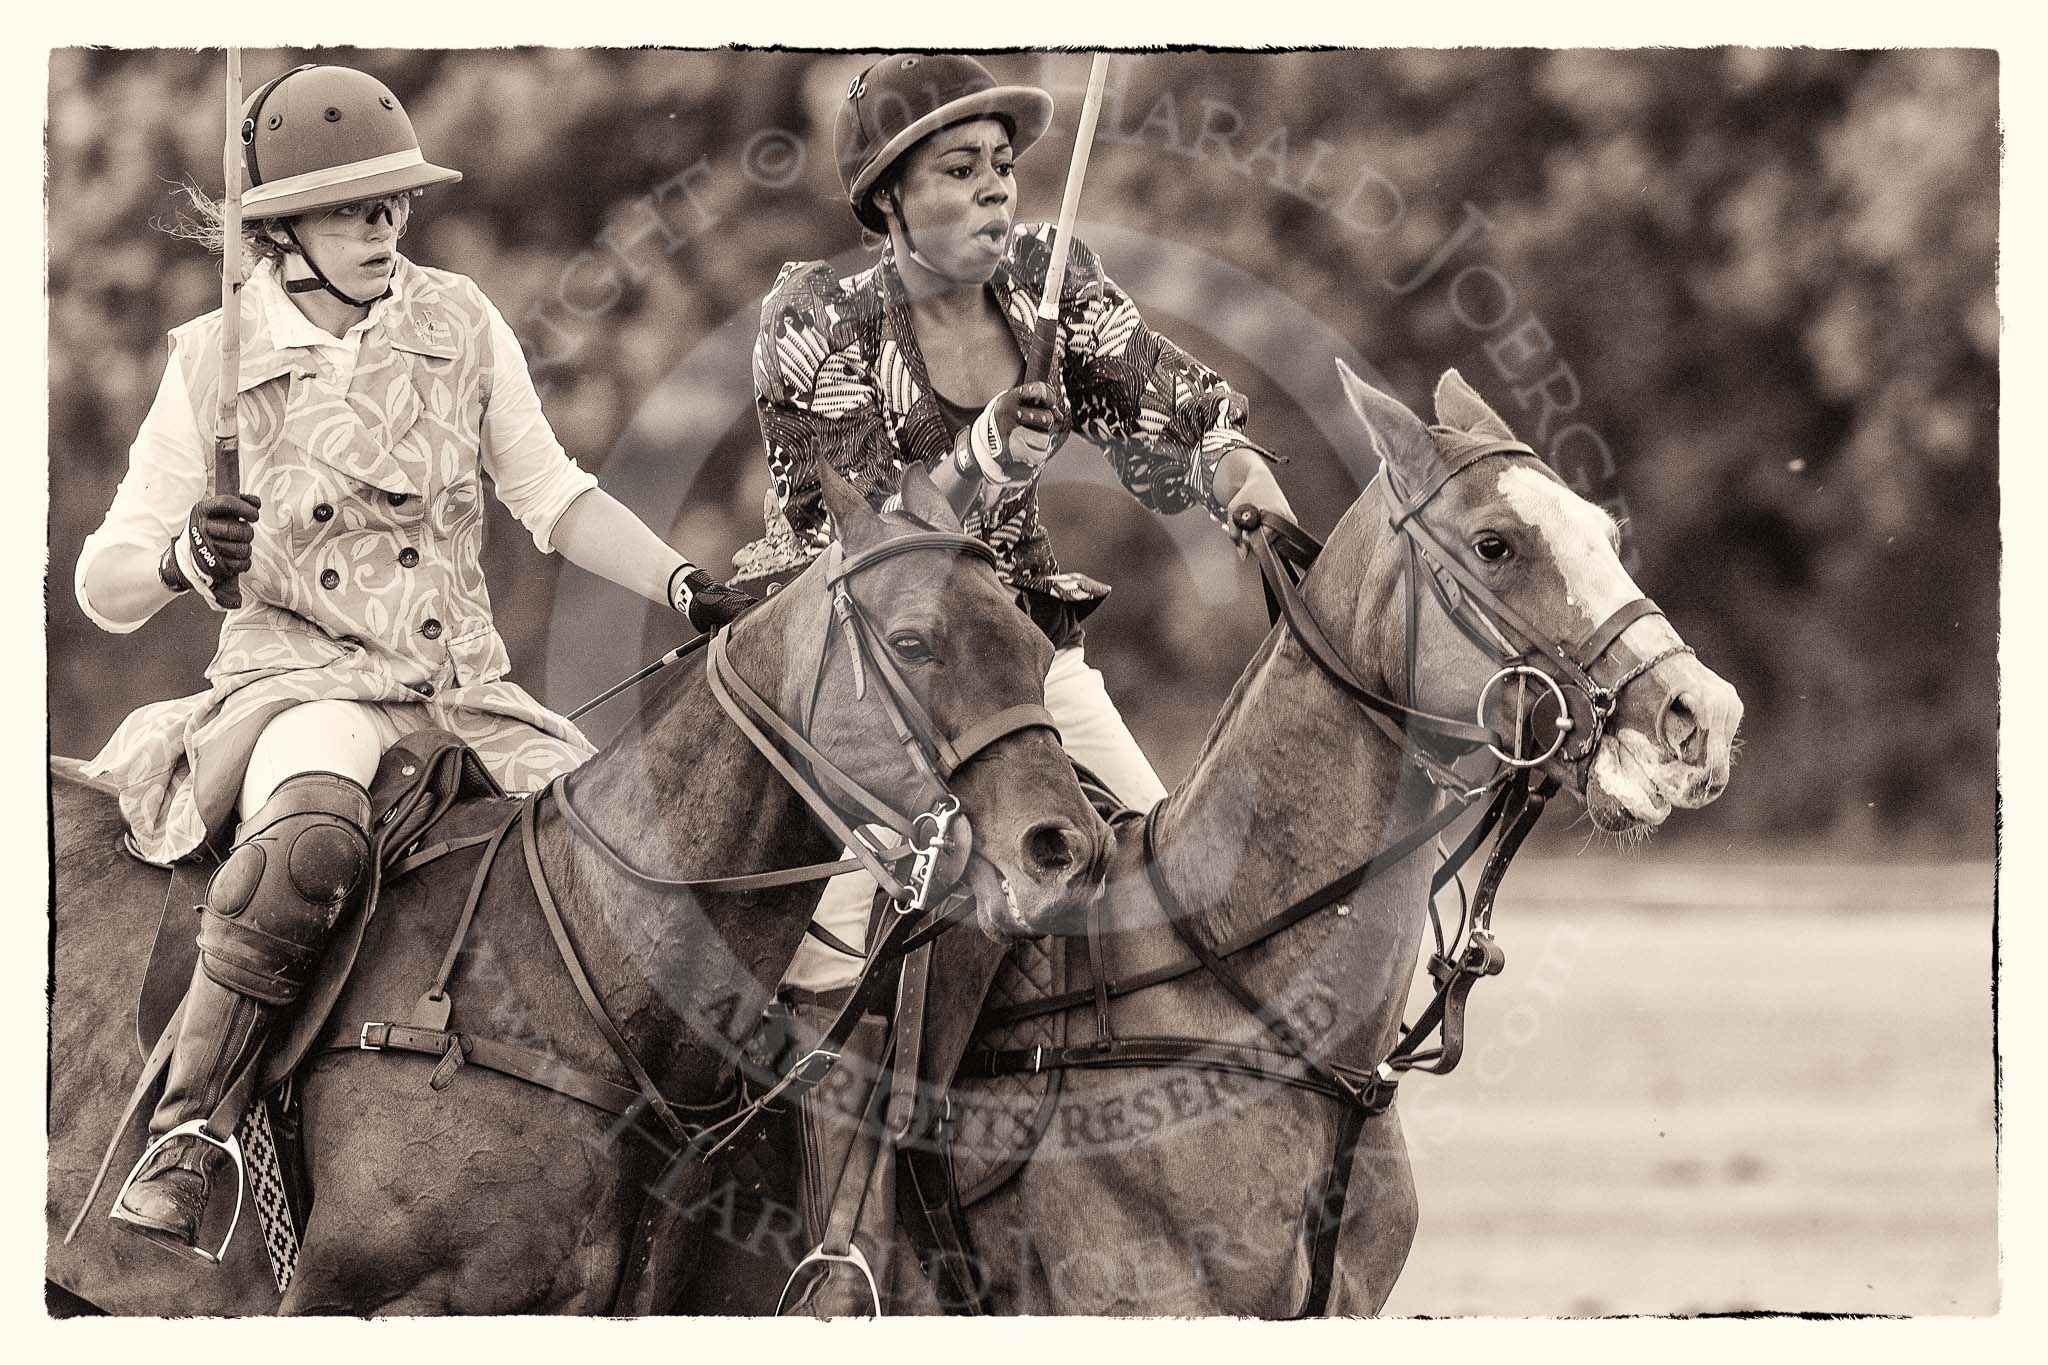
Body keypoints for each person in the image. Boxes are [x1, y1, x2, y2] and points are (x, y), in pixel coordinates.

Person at [75, 62, 755, 1260]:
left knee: (642, 871)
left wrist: (685, 584)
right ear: (279, 226)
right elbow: (104, 585)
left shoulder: (459, 318)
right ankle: (193, 1133)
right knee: (317, 839)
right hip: (304, 690)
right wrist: (184, 557)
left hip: (464, 694)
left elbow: (553, 497)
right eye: (349, 207)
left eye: (393, 202)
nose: (383, 227)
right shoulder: (210, 359)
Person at [732, 53, 1296, 994]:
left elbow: (1166, 398)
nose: (996, 188)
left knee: (1180, 902)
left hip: (1017, 654)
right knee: (823, 978)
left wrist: (1240, 474)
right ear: (888, 201)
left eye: (1002, 164)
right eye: (960, 170)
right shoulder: (817, 318)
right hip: (864, 679)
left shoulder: (1050, 279)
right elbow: (869, 542)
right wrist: (978, 459)